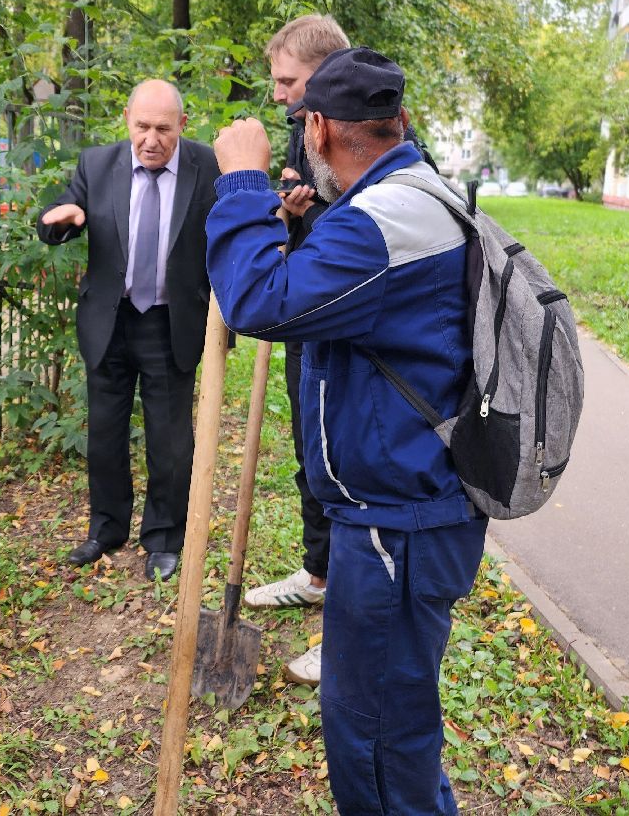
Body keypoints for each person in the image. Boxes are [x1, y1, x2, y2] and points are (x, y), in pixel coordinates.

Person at [206, 47, 486, 816]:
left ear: (321, 129)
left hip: (396, 530)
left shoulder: (383, 220)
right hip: (406, 518)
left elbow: (259, 303)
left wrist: (240, 183)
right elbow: (331, 305)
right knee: (397, 729)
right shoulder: (417, 197)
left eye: (302, 128)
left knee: (376, 746)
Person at [37, 80, 220, 582]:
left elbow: (231, 227)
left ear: (182, 126)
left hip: (169, 322)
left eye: (163, 128)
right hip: (110, 321)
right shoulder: (97, 165)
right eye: (142, 127)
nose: (151, 139)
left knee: (169, 439)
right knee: (105, 436)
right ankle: (106, 529)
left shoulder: (206, 168)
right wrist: (61, 222)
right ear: (127, 120)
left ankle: (163, 538)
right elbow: (58, 213)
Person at [240, 15, 350, 686]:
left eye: (289, 81)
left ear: (325, 73)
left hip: (348, 321)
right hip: (304, 312)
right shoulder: (301, 125)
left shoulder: (366, 128)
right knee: (311, 455)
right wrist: (288, 205)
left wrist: (306, 214)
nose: (280, 94)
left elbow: (366, 232)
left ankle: (348, 631)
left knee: (342, 468)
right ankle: (316, 576)